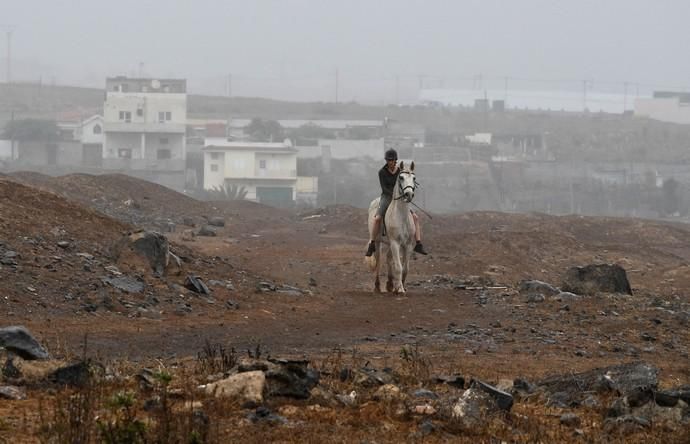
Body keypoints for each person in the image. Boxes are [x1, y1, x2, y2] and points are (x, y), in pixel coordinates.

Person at [365, 148, 428, 256]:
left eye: (393, 160)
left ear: (395, 160)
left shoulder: (400, 171)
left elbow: (405, 182)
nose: (391, 162)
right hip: (387, 196)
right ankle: (372, 243)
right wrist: (394, 195)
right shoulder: (382, 172)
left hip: (400, 197)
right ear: (386, 161)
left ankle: (418, 243)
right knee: (377, 218)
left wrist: (406, 191)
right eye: (389, 160)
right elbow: (384, 188)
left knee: (415, 217)